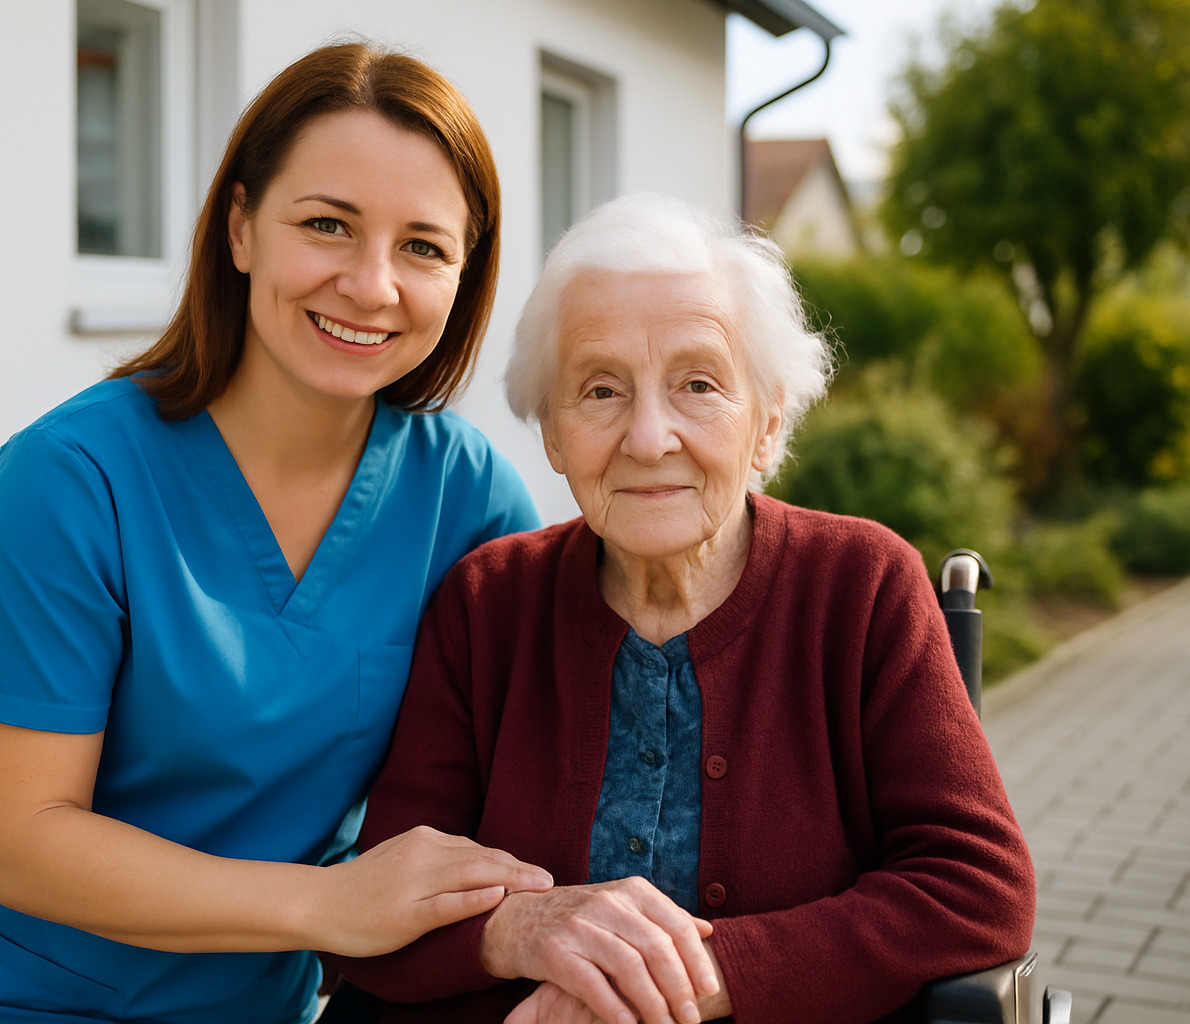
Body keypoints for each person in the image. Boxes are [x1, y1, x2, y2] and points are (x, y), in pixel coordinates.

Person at [0, 42, 554, 1024]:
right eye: (327, 225)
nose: (371, 283)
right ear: (240, 227)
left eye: (423, 247)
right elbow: (23, 838)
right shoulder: (69, 477)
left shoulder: (465, 494)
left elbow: (581, 723)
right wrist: (332, 906)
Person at [324, 194, 1037, 1024]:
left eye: (698, 384)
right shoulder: (485, 605)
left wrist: (692, 974)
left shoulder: (862, 584)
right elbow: (370, 916)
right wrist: (519, 933)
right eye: (600, 390)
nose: (649, 436)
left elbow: (978, 885)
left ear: (768, 426)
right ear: (552, 433)